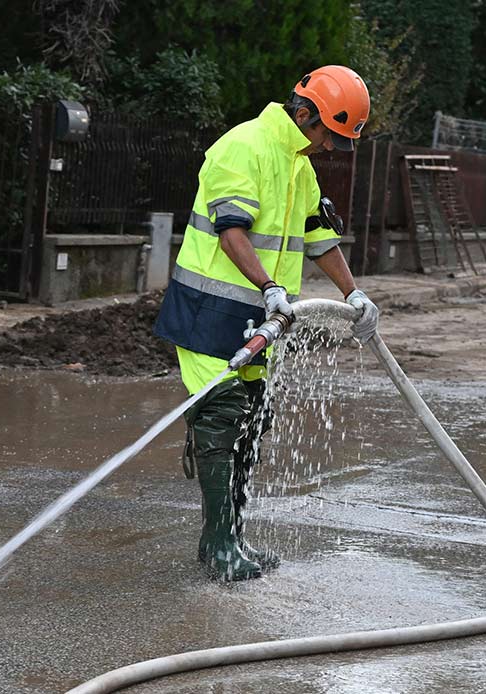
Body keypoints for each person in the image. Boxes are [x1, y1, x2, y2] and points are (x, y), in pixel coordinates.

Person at [154, 66, 380, 582]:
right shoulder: (243, 147)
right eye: (328, 134)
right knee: (221, 418)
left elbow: (318, 237)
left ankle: (231, 537)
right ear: (305, 115)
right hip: (210, 313)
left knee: (252, 425)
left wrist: (354, 293)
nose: (329, 147)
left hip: (262, 320)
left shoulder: (298, 164)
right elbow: (231, 231)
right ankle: (217, 546)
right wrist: (269, 287)